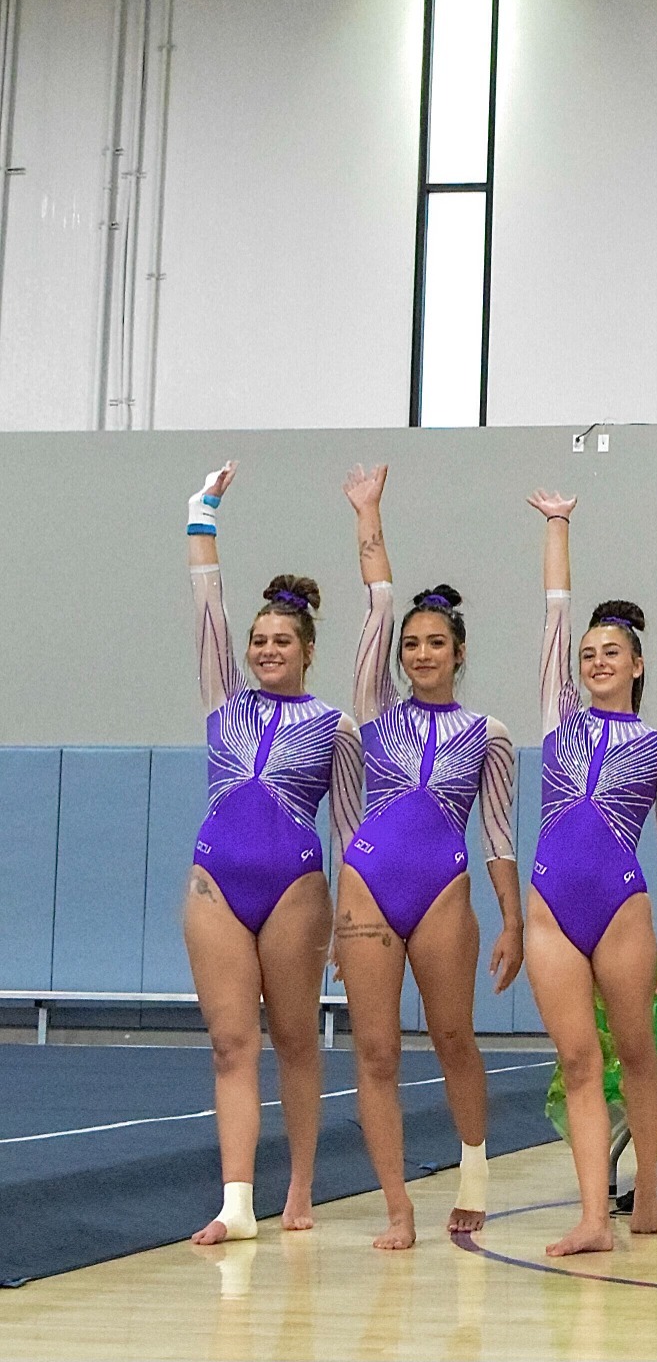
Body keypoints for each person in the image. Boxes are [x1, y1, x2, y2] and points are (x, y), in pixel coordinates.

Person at [336, 464, 523, 1249]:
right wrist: (369, 514)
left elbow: (501, 836)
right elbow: (378, 603)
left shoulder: (490, 735)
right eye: (411, 645)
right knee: (376, 1050)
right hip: (368, 885)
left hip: (444, 888)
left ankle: (473, 1173)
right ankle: (396, 1205)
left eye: (434, 644)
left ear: (459, 651)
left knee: (452, 1038)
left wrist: (512, 919)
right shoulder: (374, 709)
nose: (418, 653)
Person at [182, 462, 361, 1246]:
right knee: (230, 1041)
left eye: (281, 640)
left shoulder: (335, 725)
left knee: (293, 1037)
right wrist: (203, 517)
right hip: (216, 881)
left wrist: (353, 931)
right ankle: (236, 1201)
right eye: (258, 641)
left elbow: (353, 832)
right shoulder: (223, 702)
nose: (265, 649)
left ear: (308, 650)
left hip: (294, 887)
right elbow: (207, 610)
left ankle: (299, 1186)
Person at [525, 490, 657, 1257]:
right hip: (551, 905)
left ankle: (649, 1178)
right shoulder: (558, 719)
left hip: (622, 908)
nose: (595, 661)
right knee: (577, 1058)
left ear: (637, 664)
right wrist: (559, 525)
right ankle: (595, 1215)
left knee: (634, 1052)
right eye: (589, 654)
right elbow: (555, 612)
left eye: (610, 653)